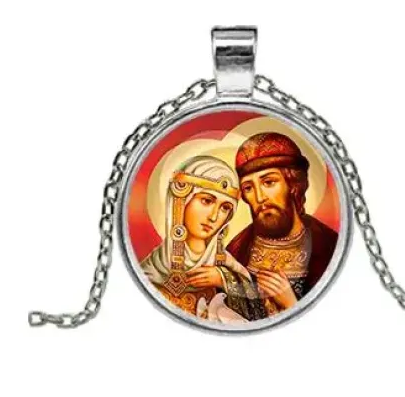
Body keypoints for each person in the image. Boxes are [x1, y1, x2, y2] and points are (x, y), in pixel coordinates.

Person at [141, 156, 265, 322]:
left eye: (225, 208)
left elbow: (257, 310)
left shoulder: (226, 263)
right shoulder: (150, 268)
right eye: (206, 201)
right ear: (182, 200)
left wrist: (224, 280)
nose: (214, 217)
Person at [227, 132, 338, 316]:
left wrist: (291, 303)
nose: (260, 197)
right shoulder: (236, 250)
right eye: (248, 188)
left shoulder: (328, 246)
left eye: (269, 182)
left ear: (293, 184)